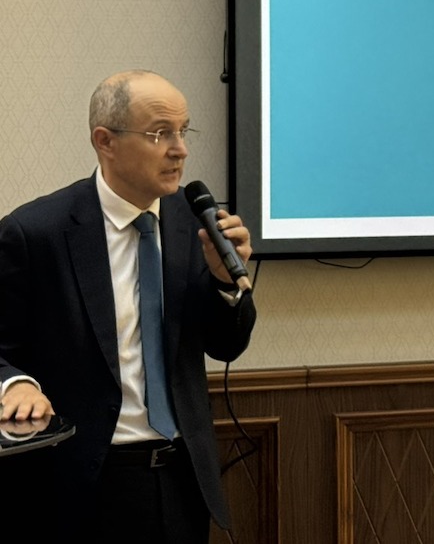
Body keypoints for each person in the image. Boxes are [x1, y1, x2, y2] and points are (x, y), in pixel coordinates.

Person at [0, 69, 256, 543]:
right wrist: (16, 384)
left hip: (181, 477)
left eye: (183, 131)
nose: (180, 149)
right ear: (105, 141)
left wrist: (225, 283)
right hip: (82, 484)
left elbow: (226, 345)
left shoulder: (195, 224)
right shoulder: (36, 232)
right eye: (160, 133)